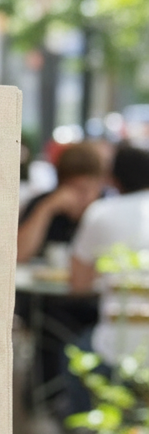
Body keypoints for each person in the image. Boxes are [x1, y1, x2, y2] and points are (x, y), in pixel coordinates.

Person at [71, 145, 149, 365]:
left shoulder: (102, 212)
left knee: (72, 355)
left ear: (114, 178)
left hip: (115, 352)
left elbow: (78, 284)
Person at [17, 142, 105, 264]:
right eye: (74, 189)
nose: (80, 198)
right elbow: (18, 255)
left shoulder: (105, 208)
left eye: (86, 190)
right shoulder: (43, 203)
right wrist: (46, 209)